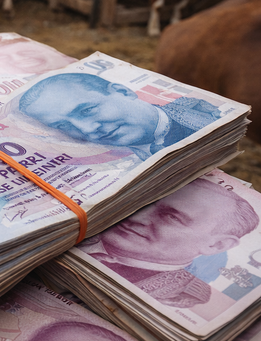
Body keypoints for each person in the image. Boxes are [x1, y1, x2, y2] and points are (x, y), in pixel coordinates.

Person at [78, 179, 259, 308]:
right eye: (148, 202)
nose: (136, 216)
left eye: (171, 217)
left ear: (217, 245)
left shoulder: (182, 296)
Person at [18, 72, 221, 160]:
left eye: (87, 110)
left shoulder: (205, 114)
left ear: (123, 92)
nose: (87, 129)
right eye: (62, 124)